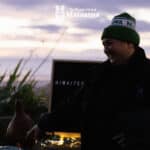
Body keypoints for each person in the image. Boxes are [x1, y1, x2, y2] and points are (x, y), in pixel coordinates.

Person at [26, 12, 150, 150]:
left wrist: (136, 132)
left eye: (109, 44)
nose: (106, 50)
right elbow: (74, 105)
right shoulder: (99, 74)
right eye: (104, 45)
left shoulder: (146, 73)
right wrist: (43, 123)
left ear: (129, 43)